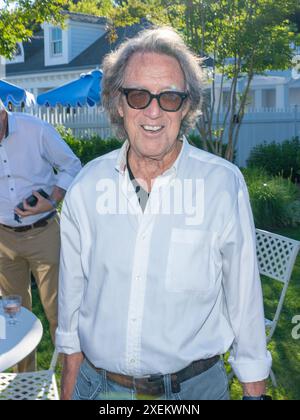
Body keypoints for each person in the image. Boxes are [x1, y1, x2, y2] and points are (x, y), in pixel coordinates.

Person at [56, 27, 272, 400]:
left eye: (169, 97)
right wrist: (70, 384)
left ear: (186, 106)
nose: (153, 111)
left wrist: (255, 391)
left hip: (196, 391)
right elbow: (71, 305)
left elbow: (244, 302)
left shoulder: (222, 186)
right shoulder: (86, 188)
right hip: (102, 390)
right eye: (138, 95)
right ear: (118, 103)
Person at [0, 99, 81, 372]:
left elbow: (72, 165)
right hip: (2, 241)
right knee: (14, 319)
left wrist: (53, 198)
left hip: (44, 233)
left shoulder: (36, 130)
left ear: (2, 115)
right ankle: (26, 384)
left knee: (60, 312)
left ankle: (74, 381)